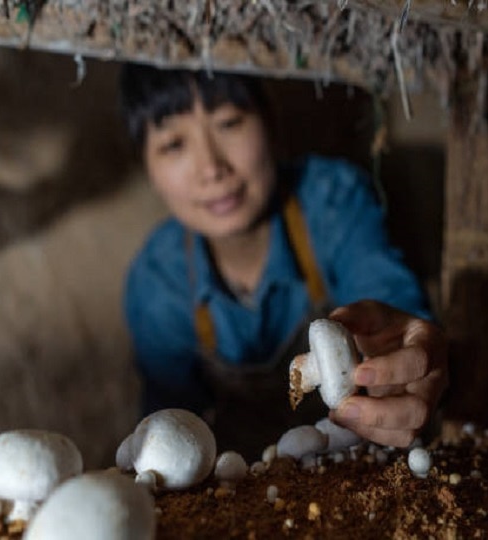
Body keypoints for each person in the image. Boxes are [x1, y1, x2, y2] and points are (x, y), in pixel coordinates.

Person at [119, 62, 448, 457]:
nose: (212, 168)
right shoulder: (158, 280)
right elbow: (166, 430)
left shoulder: (332, 202)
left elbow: (398, 313)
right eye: (174, 144)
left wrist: (411, 357)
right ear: (147, 168)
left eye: (229, 122)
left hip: (360, 457)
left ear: (269, 123)